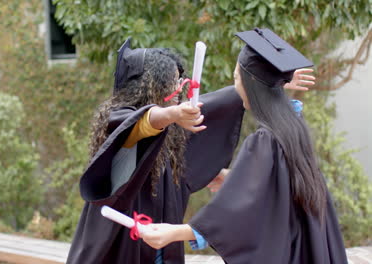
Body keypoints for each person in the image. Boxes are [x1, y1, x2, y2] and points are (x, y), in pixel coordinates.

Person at [66, 37, 315, 264]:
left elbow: (220, 103)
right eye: (172, 84)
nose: (180, 89)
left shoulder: (172, 134)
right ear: (150, 88)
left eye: (180, 81)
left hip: (161, 249)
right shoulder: (120, 124)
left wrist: (266, 83)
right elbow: (143, 123)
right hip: (117, 251)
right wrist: (171, 114)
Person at [141, 28, 348, 264]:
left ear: (250, 84)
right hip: (304, 247)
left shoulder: (265, 140)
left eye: (237, 78)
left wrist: (174, 233)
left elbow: (236, 213)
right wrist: (233, 178)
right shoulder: (293, 126)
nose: (235, 86)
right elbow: (281, 188)